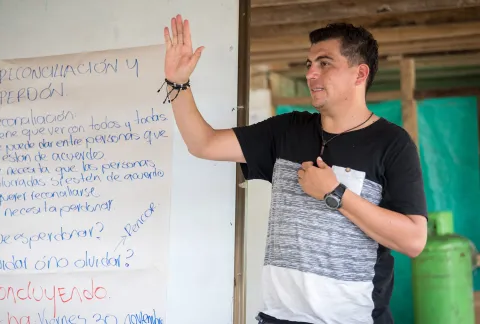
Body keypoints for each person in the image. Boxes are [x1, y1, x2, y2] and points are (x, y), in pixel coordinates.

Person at [162, 14, 428, 324]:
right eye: (309, 64)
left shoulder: (392, 143)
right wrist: (177, 84)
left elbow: (413, 240)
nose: (311, 73)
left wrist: (335, 193)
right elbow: (203, 143)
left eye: (324, 63)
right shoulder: (287, 130)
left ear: (360, 73)